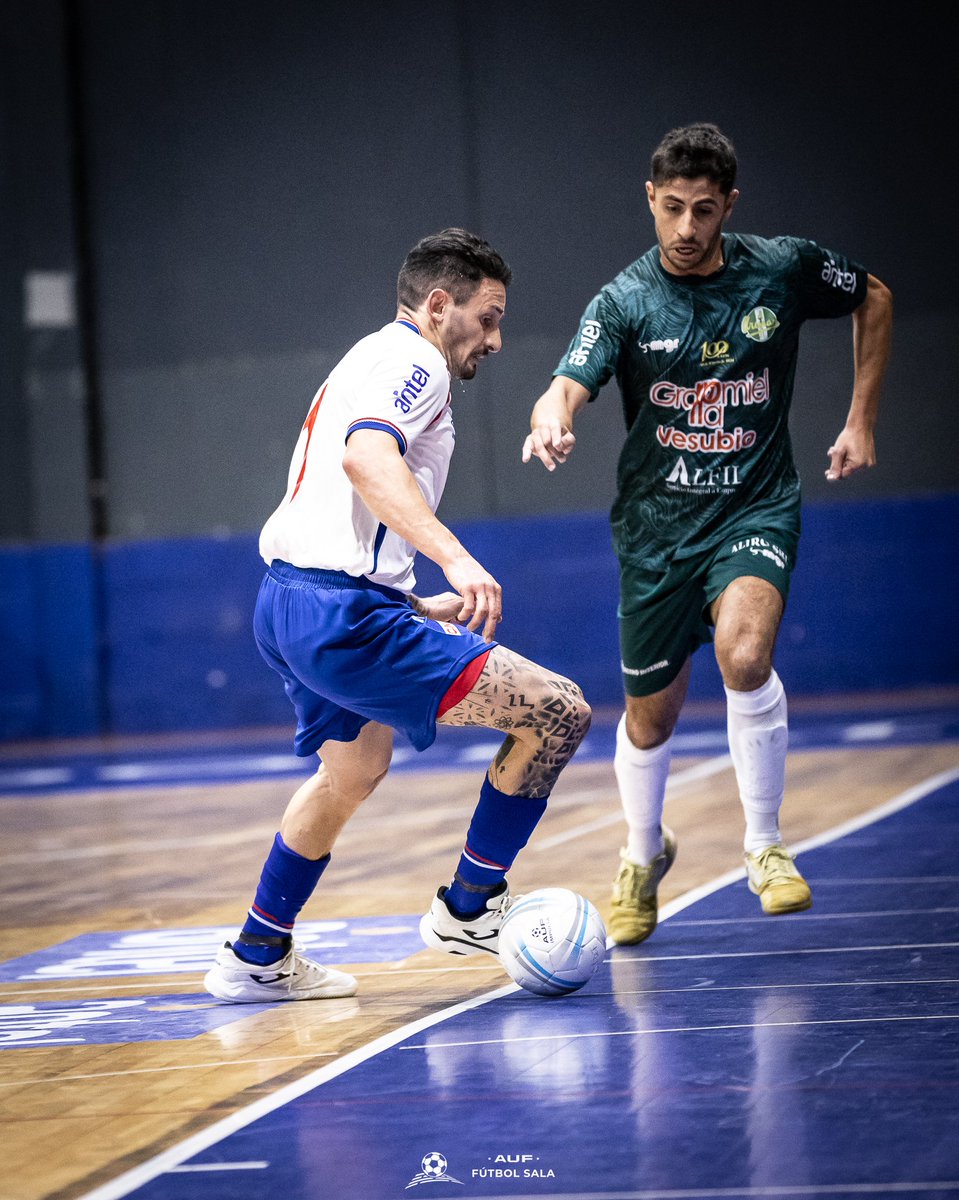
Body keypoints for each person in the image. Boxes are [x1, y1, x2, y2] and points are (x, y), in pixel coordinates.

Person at [523, 123, 893, 945]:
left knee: (744, 655)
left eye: (701, 210)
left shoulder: (783, 267)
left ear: (728, 205)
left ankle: (763, 845)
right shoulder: (624, 300)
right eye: (669, 209)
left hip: (752, 508)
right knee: (648, 720)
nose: (685, 229)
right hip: (655, 534)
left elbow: (873, 295)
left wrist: (859, 419)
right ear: (648, 202)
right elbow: (567, 381)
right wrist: (551, 418)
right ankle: (641, 851)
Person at [204, 228, 591, 1002]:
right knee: (558, 711)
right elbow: (364, 459)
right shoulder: (416, 361)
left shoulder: (368, 355)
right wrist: (456, 559)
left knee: (350, 772)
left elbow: (333, 509)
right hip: (340, 618)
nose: (496, 338)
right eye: (487, 317)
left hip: (289, 601)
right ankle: (469, 909)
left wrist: (408, 596)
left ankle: (255, 952)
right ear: (439, 304)